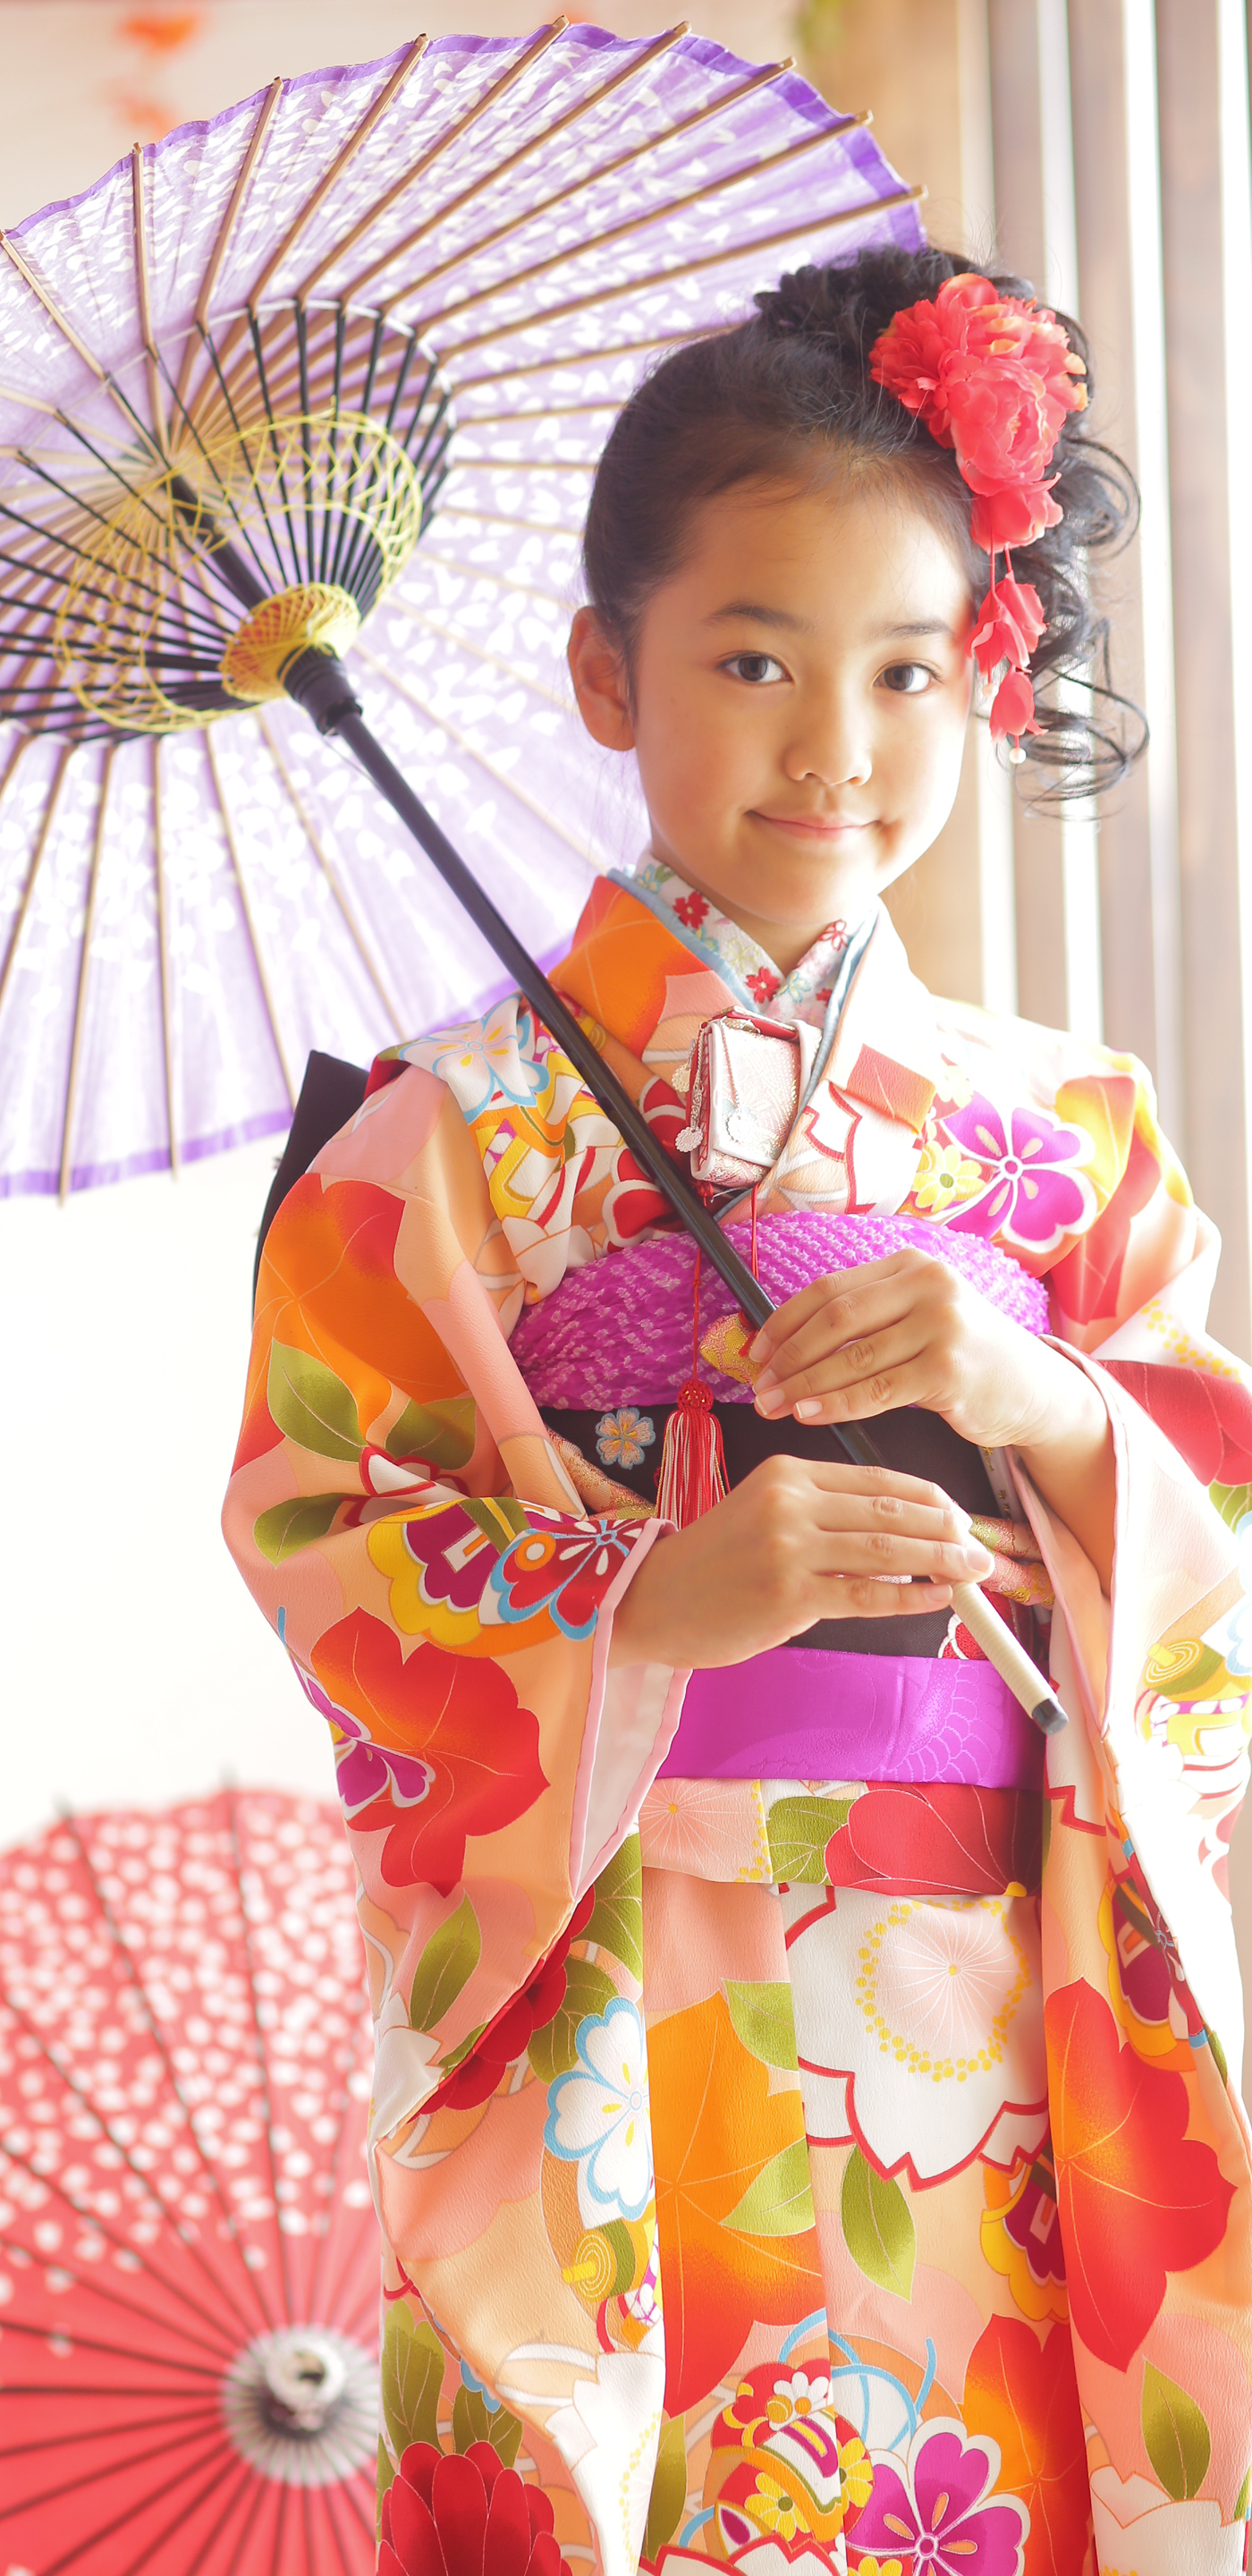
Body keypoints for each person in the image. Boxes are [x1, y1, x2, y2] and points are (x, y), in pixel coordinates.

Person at [223, 243, 1252, 2576]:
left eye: (908, 672)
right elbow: (323, 1530)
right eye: (756, 661)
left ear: (986, 676)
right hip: (630, 1969)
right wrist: (658, 1600)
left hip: (997, 1991)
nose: (837, 749)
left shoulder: (1072, 1128)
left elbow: (1220, 1512)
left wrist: (1039, 1397)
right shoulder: (432, 1141)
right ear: (611, 670)